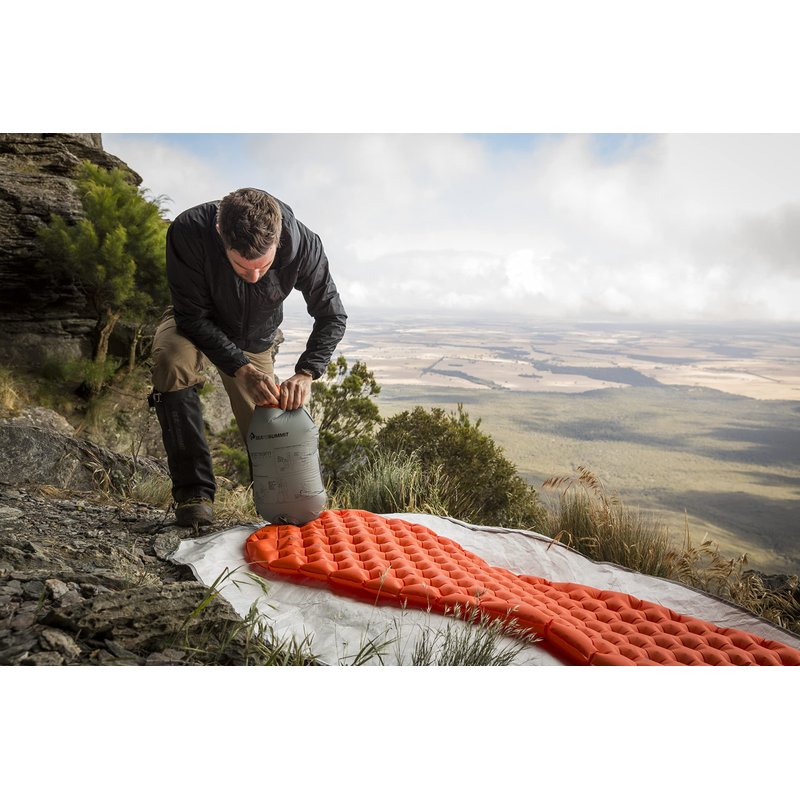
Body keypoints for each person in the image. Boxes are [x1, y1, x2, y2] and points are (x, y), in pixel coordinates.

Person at [148, 188, 347, 527]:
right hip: (195, 322)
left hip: (255, 337)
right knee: (171, 361)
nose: (254, 277)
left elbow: (332, 315)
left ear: (279, 239)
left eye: (263, 266)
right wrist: (240, 368)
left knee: (272, 425)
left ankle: (280, 508)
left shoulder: (305, 245)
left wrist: (307, 372)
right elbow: (191, 318)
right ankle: (194, 494)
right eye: (241, 266)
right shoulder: (188, 230)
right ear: (220, 233)